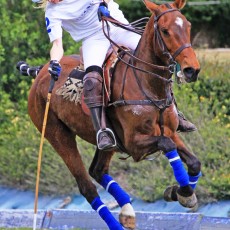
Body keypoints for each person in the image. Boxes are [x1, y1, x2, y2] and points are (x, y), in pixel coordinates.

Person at [34, 0, 196, 151]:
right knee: (91, 81)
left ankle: (175, 112)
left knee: (156, 56)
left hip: (117, 26)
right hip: (94, 39)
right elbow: (56, 44)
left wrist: (104, 4)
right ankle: (102, 131)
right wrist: (55, 61)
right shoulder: (53, 13)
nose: (54, 0)